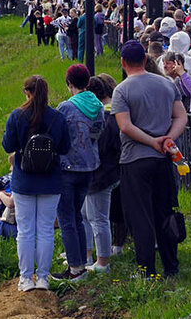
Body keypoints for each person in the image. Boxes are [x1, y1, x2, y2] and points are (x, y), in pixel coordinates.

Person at [112, 40, 188, 278]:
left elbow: (125, 126)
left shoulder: (122, 90)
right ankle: (171, 266)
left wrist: (150, 141)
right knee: (164, 212)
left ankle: (146, 270)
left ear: (123, 63)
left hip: (135, 160)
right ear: (146, 60)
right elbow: (181, 117)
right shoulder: (166, 84)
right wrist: (167, 140)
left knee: (140, 215)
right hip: (163, 158)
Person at [2, 75, 71, 291]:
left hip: (24, 180)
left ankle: (25, 278)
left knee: (25, 231)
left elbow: (7, 146)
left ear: (27, 92)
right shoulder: (57, 118)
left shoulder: (17, 116)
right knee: (45, 230)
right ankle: (42, 278)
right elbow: (65, 148)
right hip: (50, 180)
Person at [53, 64, 105, 282]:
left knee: (67, 218)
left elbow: (57, 135)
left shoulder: (65, 107)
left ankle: (75, 268)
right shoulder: (98, 106)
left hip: (67, 167)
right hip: (89, 166)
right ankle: (81, 262)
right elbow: (97, 132)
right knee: (78, 216)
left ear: (69, 84)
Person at [82, 75, 120, 273]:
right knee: (89, 215)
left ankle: (102, 262)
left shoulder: (104, 117)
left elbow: (102, 147)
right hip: (106, 172)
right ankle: (89, 254)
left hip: (101, 174)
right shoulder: (113, 113)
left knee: (98, 219)